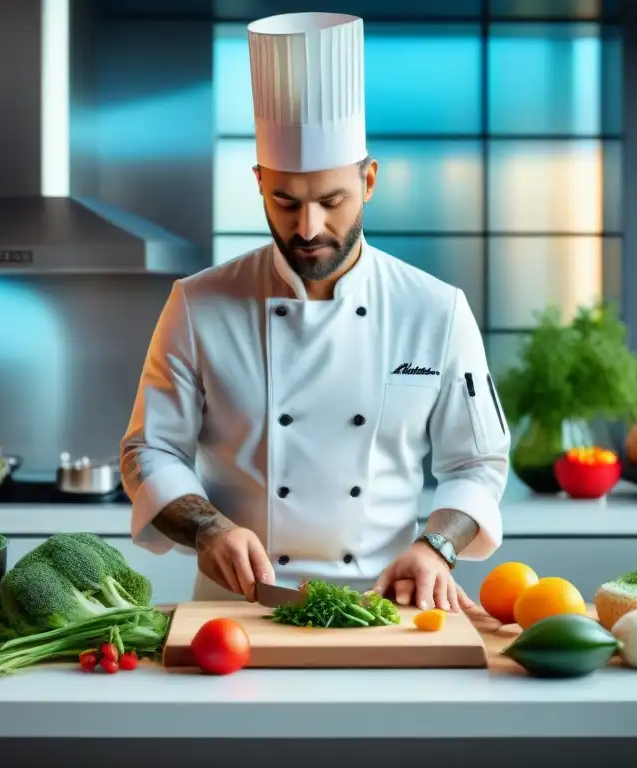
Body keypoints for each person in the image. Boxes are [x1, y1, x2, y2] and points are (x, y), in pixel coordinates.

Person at [120, 11, 510, 613]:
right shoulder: (198, 304)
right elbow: (149, 452)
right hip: (239, 610)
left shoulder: (435, 309)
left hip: (390, 605)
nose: (308, 228)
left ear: (370, 180)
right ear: (258, 183)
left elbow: (477, 460)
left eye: (332, 201)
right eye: (285, 201)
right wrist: (208, 530)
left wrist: (436, 546)